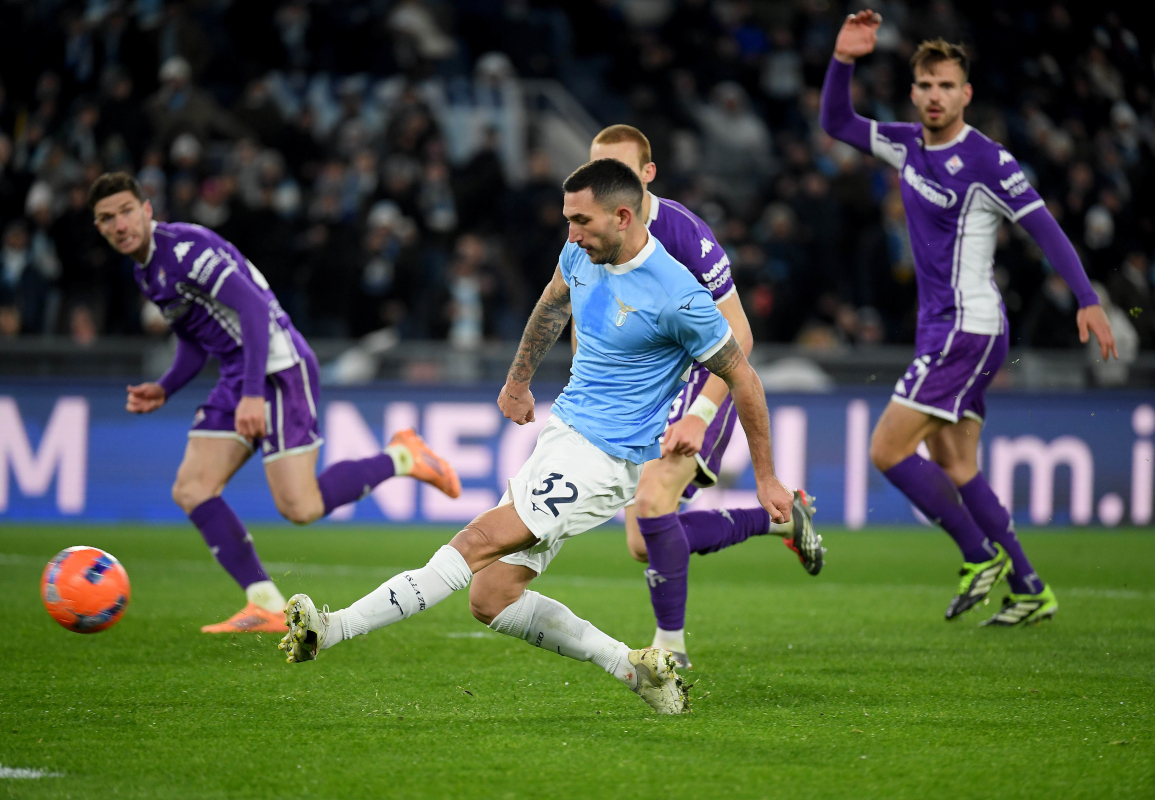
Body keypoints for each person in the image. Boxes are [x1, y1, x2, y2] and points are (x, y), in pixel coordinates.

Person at [278, 159, 795, 714]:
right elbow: (554, 300)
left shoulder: (676, 294)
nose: (570, 233)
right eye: (567, 219)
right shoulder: (581, 252)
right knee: (491, 597)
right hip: (563, 435)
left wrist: (765, 475)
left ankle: (332, 630)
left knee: (477, 541)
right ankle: (633, 668)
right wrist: (518, 381)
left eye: (581, 220)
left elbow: (742, 374)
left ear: (623, 216)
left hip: (606, 459)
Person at [821, 13, 1117, 626]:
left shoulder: (988, 161)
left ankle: (978, 554)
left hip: (969, 329)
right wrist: (844, 59)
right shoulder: (904, 143)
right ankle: (1032, 586)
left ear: (966, 94)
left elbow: (1046, 229)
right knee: (957, 464)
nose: (935, 96)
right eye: (926, 85)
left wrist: (1088, 298)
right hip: (944, 329)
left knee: (885, 450)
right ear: (914, 91)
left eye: (947, 86)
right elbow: (836, 122)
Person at [89, 172, 462, 634]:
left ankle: (403, 456)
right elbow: (193, 339)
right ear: (99, 228)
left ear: (147, 210)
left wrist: (251, 395)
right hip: (239, 373)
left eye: (126, 211)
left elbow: (252, 310)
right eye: (106, 218)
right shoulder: (147, 271)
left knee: (300, 508)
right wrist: (166, 386)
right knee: (192, 488)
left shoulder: (186, 250)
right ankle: (264, 603)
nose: (119, 224)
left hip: (279, 369)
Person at [588, 124, 822, 669]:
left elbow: (739, 335)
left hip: (696, 377)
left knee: (650, 505)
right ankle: (781, 520)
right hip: (644, 386)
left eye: (620, 173)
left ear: (647, 175)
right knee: (645, 542)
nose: (606, 185)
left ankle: (670, 650)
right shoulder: (591, 230)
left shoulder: (684, 234)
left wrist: (700, 413)